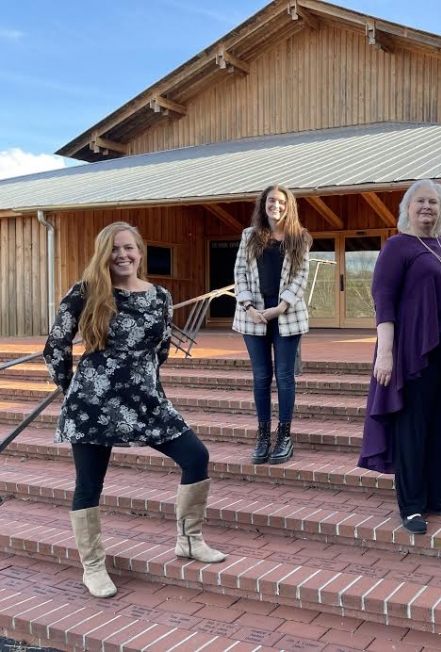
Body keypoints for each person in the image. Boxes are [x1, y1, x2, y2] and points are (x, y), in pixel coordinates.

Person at [43, 222, 226, 600]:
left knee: (196, 456)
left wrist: (145, 380)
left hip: (146, 399)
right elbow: (55, 345)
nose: (122, 255)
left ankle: (189, 541)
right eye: (114, 249)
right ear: (103, 254)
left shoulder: (160, 295)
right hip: (94, 404)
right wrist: (71, 389)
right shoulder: (87, 292)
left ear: (140, 252)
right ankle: (93, 566)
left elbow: (161, 349)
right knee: (89, 484)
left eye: (129, 248)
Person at [358, 179, 441, 536]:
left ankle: (434, 496)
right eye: (420, 201)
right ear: (407, 208)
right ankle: (411, 506)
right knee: (412, 429)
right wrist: (385, 355)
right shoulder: (397, 247)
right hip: (413, 352)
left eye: (434, 202)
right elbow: (383, 303)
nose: (427, 207)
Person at [233, 184, 311, 465]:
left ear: (288, 205)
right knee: (261, 377)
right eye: (270, 201)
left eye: (280, 201)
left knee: (285, 377)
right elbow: (239, 272)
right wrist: (248, 306)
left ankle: (285, 437)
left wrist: (280, 306)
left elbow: (301, 276)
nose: (275, 205)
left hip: (286, 314)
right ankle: (263, 437)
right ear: (263, 205)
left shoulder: (299, 237)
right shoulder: (249, 236)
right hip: (252, 315)